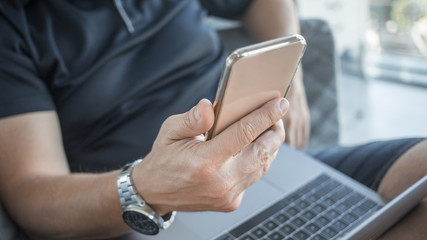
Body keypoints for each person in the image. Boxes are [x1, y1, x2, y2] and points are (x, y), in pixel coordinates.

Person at [0, 0, 425, 239]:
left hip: (277, 167)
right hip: (149, 217)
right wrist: (146, 188)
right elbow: (29, 189)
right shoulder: (13, 24)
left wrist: (289, 78)